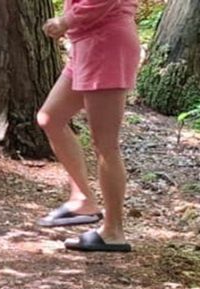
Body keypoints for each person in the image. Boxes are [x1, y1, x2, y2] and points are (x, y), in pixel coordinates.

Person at [35, 0, 141, 253]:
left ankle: (113, 231)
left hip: (107, 46)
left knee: (105, 145)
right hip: (85, 44)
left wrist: (65, 22)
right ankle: (82, 200)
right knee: (50, 118)